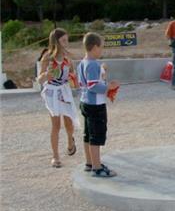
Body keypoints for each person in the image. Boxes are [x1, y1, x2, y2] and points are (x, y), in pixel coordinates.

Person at [77, 32, 120, 177]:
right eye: (101, 47)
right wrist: (109, 87)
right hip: (95, 105)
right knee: (96, 135)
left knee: (88, 134)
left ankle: (89, 163)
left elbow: (85, 83)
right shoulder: (93, 64)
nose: (102, 50)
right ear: (94, 47)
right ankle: (97, 167)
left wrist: (102, 72)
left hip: (85, 102)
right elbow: (93, 86)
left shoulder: (83, 62)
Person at [37, 28, 79, 168]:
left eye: (67, 39)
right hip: (51, 92)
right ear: (56, 42)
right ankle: (55, 156)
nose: (66, 43)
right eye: (63, 40)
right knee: (56, 125)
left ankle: (70, 140)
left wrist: (73, 79)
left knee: (68, 123)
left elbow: (73, 74)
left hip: (64, 91)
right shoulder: (47, 57)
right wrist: (45, 76)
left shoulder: (68, 57)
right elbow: (39, 79)